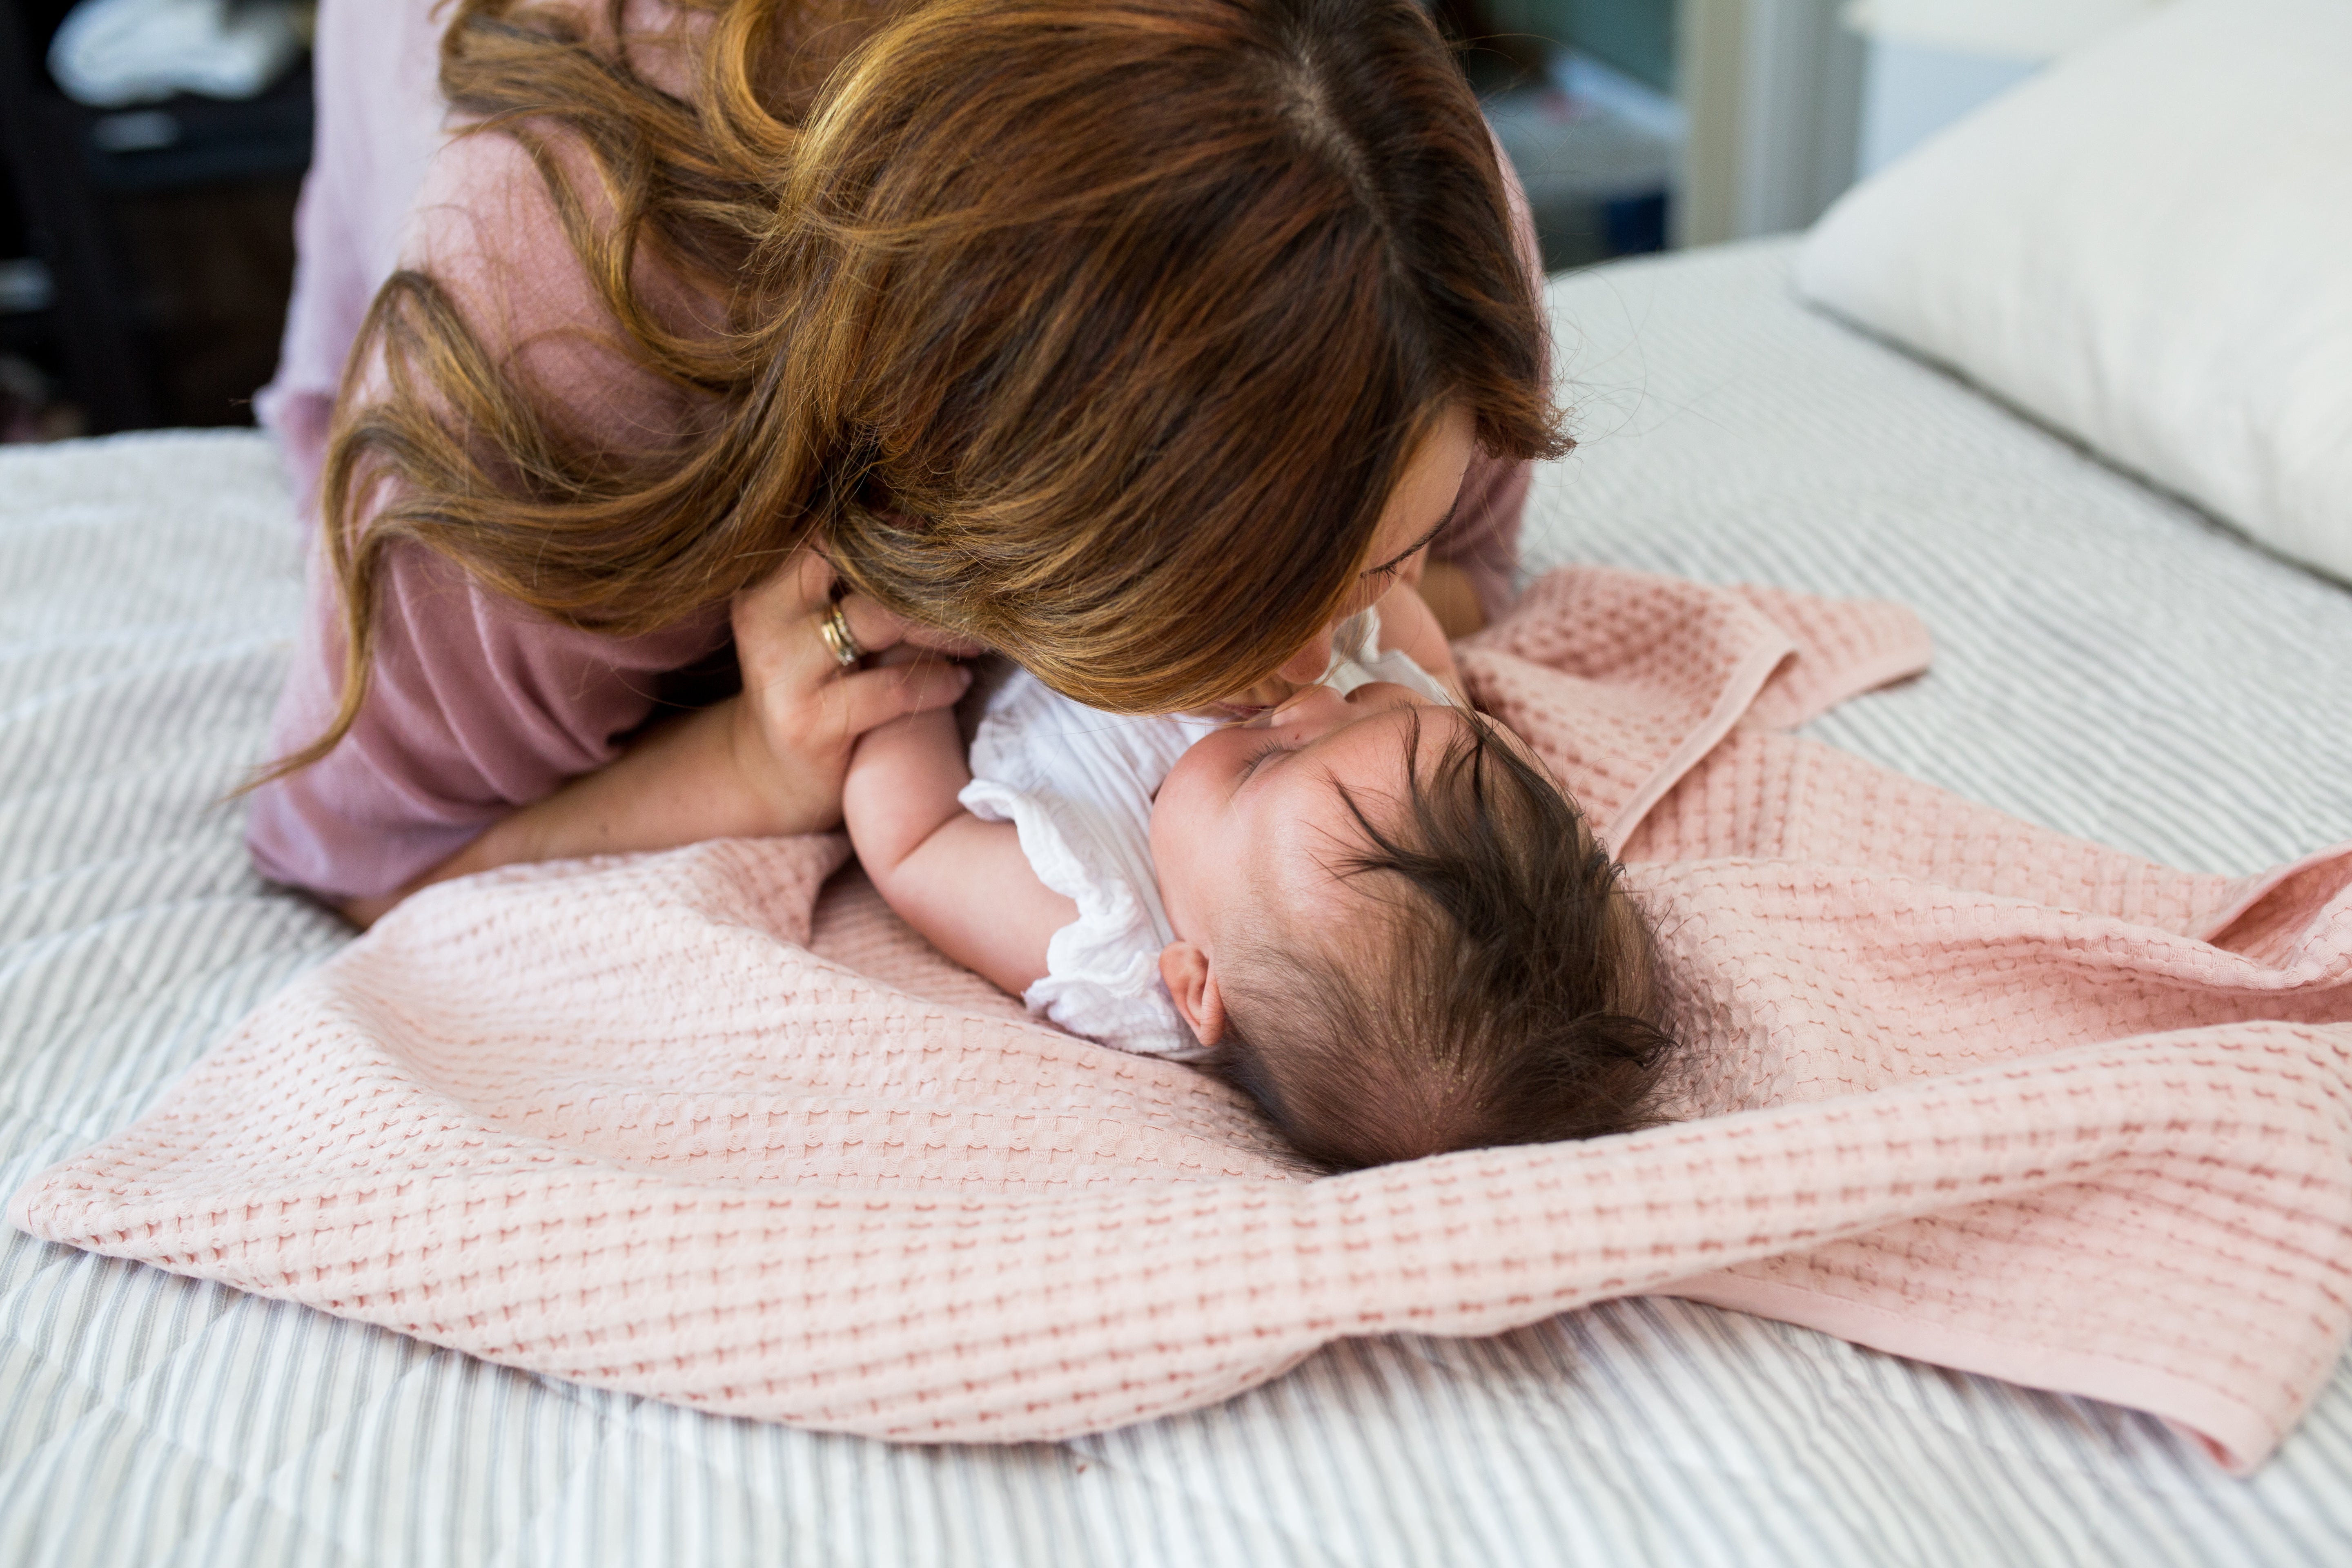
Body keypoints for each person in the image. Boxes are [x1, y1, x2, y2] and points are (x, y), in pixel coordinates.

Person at [247, 0, 1562, 927]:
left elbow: (1475, 570)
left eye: (1378, 557)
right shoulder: (555, 327)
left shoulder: (1401, 218)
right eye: (1227, 612)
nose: (1318, 675)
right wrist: (758, 764)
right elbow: (369, 849)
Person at [841, 583, 1673, 1171]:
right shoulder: (1409, 751)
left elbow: (916, 841)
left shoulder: (1108, 928)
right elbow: (1418, 650)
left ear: (1197, 984)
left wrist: (910, 659)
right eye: (1382, 710)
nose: (1311, 703)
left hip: (982, 620)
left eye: (1268, 763)